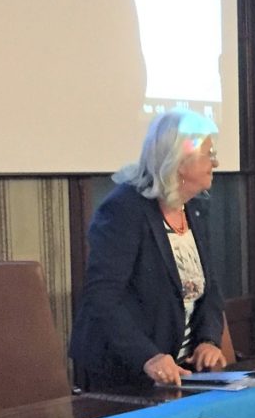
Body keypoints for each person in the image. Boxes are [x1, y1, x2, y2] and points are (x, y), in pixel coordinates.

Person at [70, 109, 229, 390]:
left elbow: (210, 287)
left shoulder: (194, 208)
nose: (215, 162)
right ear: (180, 161)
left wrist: (208, 340)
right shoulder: (123, 210)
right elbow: (103, 297)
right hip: (125, 372)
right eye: (208, 154)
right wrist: (148, 356)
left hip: (183, 370)